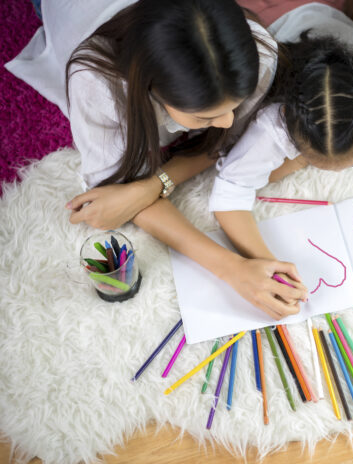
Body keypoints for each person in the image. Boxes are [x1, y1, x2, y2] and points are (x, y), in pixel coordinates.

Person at [47, 0, 306, 318]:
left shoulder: (257, 49)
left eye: (233, 107)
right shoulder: (98, 85)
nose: (228, 122)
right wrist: (231, 269)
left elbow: (223, 146)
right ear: (151, 89)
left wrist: (152, 185)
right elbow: (116, 191)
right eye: (205, 116)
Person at [210, 3, 353, 275]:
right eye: (312, 160)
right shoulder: (273, 121)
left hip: (324, 18)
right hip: (276, 19)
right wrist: (269, 263)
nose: (334, 173)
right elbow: (230, 190)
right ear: (285, 122)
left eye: (351, 162)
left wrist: (299, 162)